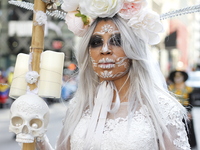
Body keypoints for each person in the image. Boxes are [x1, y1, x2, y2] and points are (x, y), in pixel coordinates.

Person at [35, 0, 191, 149]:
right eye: (96, 42)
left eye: (116, 41)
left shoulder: (162, 108)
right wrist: (37, 137)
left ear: (133, 48)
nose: (104, 49)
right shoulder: (79, 105)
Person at [169, 70, 197, 148]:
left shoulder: (188, 88)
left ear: (183, 77)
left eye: (179, 77)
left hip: (186, 110)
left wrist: (189, 112)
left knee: (188, 128)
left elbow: (191, 102)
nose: (177, 79)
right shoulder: (170, 88)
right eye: (176, 77)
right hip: (174, 110)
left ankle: (190, 144)